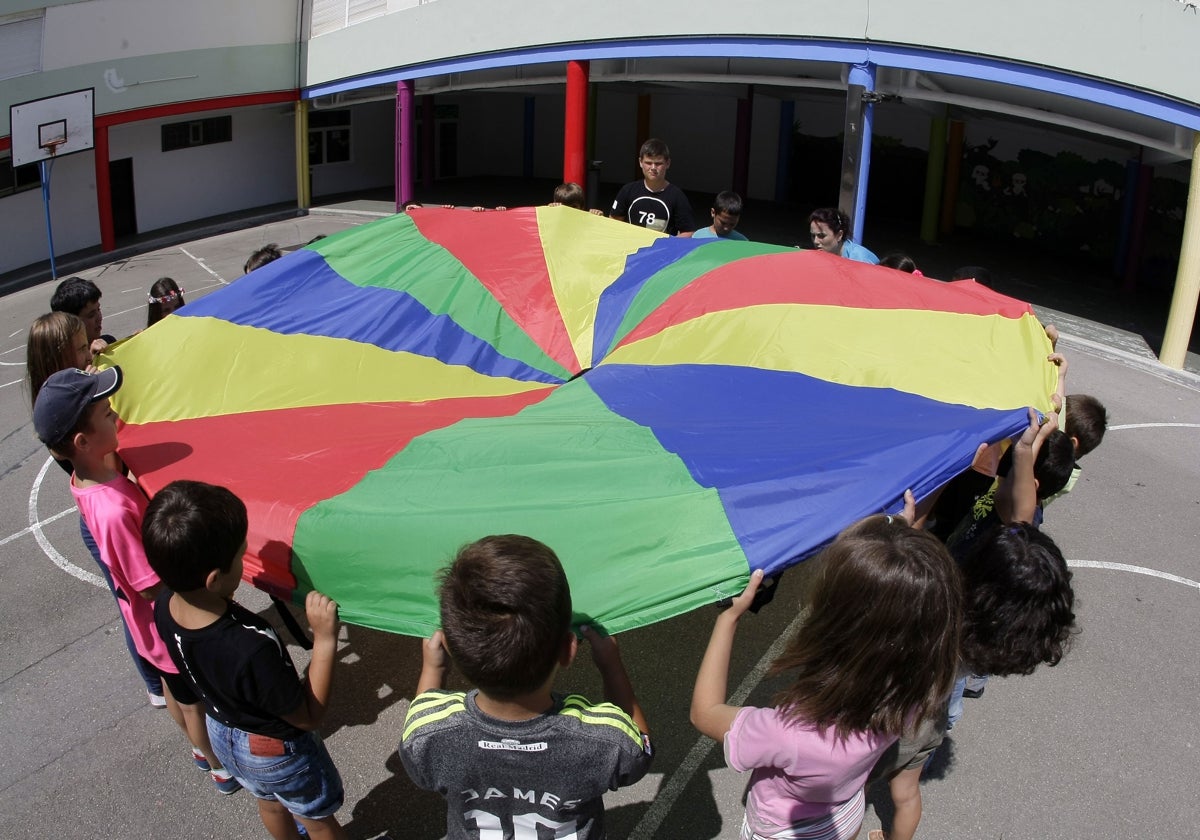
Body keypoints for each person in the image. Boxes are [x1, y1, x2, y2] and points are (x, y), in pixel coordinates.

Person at [691, 500, 963, 840]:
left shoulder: (790, 733)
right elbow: (904, 612)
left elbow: (705, 713)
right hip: (844, 813)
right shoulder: (915, 689)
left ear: (833, 622)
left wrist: (727, 619)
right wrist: (901, 541)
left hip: (782, 832)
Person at [32, 367, 237, 793]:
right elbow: (149, 583)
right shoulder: (112, 509)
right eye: (107, 414)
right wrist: (202, 591)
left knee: (174, 689)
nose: (115, 418)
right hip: (162, 621)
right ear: (82, 442)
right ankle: (218, 764)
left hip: (145, 625)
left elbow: (107, 443)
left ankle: (200, 752)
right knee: (193, 702)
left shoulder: (90, 476)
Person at [399, 535, 653, 840]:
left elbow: (422, 711)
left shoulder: (428, 735)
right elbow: (639, 747)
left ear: (451, 647)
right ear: (568, 650)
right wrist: (611, 666)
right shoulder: (604, 739)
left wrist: (433, 668)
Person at [145, 481, 349, 840]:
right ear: (213, 580)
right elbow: (308, 716)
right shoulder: (249, 645)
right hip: (274, 750)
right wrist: (325, 639)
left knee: (270, 802)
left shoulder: (164, 606)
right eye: (240, 557)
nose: (244, 561)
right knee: (315, 817)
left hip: (225, 734)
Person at [868, 523, 1076, 840]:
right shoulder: (993, 644)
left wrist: (900, 532)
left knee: (852, 791)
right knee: (907, 794)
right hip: (929, 721)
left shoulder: (938, 617)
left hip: (890, 716)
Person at [25, 313, 165, 704]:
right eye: (83, 346)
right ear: (59, 357)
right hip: (111, 514)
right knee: (135, 605)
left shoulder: (71, 401)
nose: (93, 348)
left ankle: (165, 676)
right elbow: (152, 590)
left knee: (135, 602)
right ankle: (158, 681)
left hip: (113, 505)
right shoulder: (63, 415)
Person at [610, 138, 696, 236]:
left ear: (668, 163)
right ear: (640, 162)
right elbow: (614, 222)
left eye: (658, 163)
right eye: (648, 163)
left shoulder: (677, 197)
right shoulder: (627, 191)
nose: (653, 168)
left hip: (661, 250)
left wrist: (670, 246)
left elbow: (688, 232)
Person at [50, 276, 114, 355]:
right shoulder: (67, 363)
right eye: (91, 315)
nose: (99, 318)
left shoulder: (109, 342)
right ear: (70, 324)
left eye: (98, 309)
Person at [808, 208, 879, 264]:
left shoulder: (861, 260)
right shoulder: (822, 256)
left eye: (821, 235)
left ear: (839, 235)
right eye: (813, 236)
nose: (815, 241)